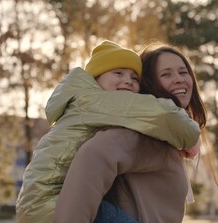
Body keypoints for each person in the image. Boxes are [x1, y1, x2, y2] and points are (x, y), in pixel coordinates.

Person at [15, 40, 201, 223]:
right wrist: (190, 137)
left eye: (133, 78)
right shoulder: (107, 109)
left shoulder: (98, 110)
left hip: (38, 201)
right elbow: (161, 115)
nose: (127, 81)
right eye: (166, 74)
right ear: (95, 79)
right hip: (50, 200)